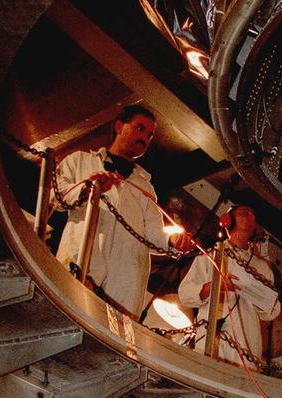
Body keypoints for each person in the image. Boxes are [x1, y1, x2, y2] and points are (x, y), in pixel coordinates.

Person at [53, 104, 192, 318]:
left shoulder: (146, 188)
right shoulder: (80, 161)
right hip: (80, 266)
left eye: (149, 135)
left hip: (123, 287)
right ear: (119, 126)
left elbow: (153, 236)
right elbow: (55, 195)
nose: (144, 138)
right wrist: (89, 189)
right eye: (140, 128)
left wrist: (173, 241)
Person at [178, 204, 280, 366]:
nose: (250, 217)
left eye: (253, 215)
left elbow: (272, 311)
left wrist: (259, 298)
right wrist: (213, 286)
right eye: (245, 213)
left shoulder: (262, 268)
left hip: (247, 347)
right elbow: (184, 294)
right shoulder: (208, 257)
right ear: (227, 221)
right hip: (211, 340)